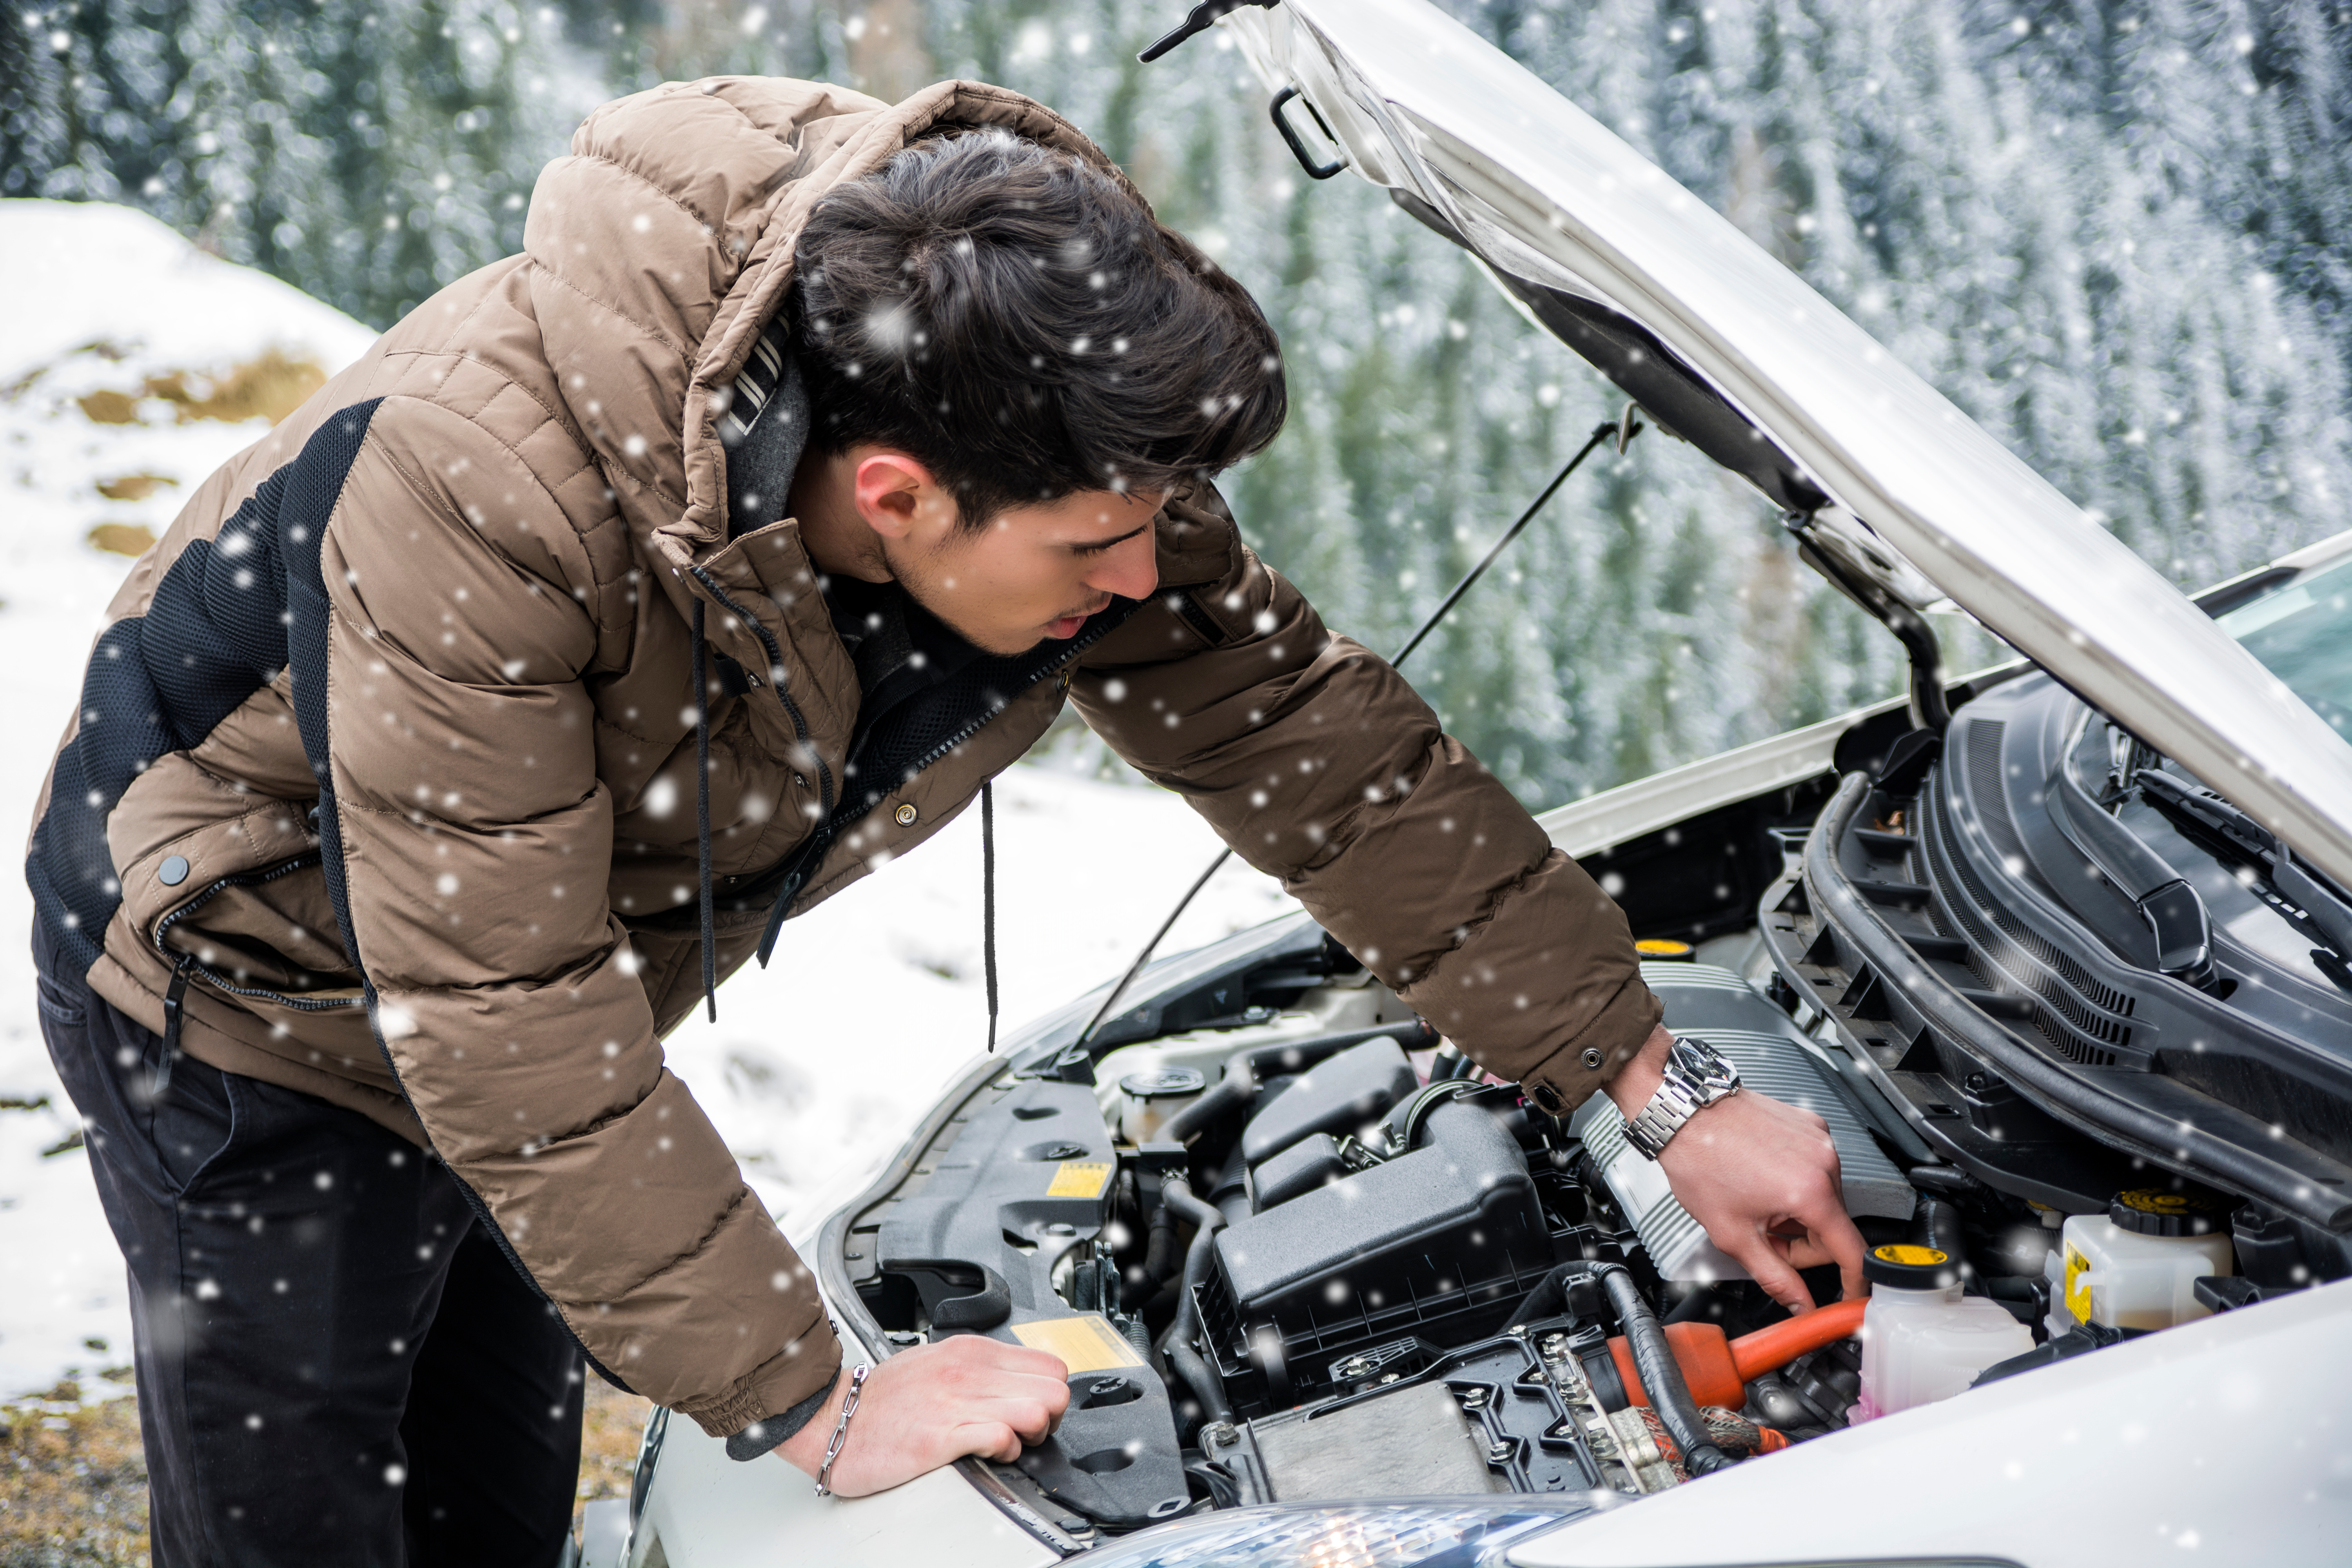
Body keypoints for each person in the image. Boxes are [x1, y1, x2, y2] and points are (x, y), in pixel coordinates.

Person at [26, 74, 1865, 1566]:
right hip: (239, 978)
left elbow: (1318, 747)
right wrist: (818, 1402)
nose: (1144, 579)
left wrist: (1649, 1081)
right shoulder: (488, 493)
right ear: (896, 494)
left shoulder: (1029, 420)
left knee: (496, 1484)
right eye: (1096, 551)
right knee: (308, 1500)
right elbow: (503, 1018)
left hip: (524, 982)